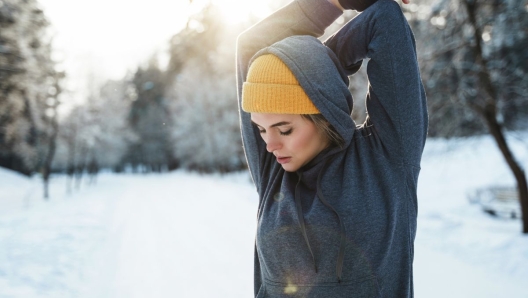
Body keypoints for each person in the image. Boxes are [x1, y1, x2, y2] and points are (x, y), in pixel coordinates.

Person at [236, 0, 428, 296]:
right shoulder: (275, 173)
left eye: (284, 129)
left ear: (323, 112)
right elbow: (252, 47)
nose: (270, 145)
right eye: (260, 129)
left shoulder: (387, 159)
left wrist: (322, 68)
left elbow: (384, 20)